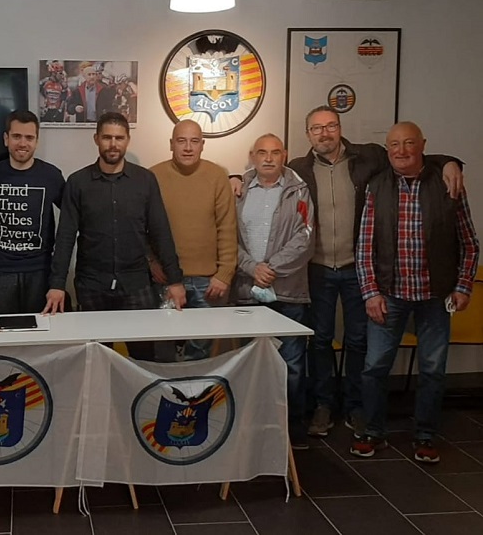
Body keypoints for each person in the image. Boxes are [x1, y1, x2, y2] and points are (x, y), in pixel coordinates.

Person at [287, 105, 463, 439]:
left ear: (340, 128)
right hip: (317, 267)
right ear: (307, 134)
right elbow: (266, 176)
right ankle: (323, 405)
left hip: (358, 267)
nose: (324, 133)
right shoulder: (298, 168)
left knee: (358, 340)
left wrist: (451, 161)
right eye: (316, 128)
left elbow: (413, 156)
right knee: (320, 340)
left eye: (330, 126)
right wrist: (236, 178)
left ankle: (356, 406)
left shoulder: (370, 157)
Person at [351, 122, 479, 463]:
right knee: (374, 367)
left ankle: (425, 435)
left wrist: (463, 286)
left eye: (409, 143)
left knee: (433, 369)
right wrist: (370, 293)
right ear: (387, 148)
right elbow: (364, 248)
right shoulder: (376, 187)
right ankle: (373, 432)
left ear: (423, 145)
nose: (401, 150)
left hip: (436, 297)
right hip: (388, 295)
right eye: (394, 144)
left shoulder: (448, 184)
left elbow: (469, 243)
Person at [43, 112, 186, 361]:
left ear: (128, 140)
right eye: (107, 137)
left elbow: (161, 231)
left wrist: (175, 280)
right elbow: (65, 236)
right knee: (95, 358)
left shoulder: (145, 180)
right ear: (96, 139)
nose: (113, 144)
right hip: (91, 285)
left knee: (143, 358)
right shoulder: (78, 182)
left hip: (136, 283)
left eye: (119, 138)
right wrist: (57, 284)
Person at [232, 134, 314, 449]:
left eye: (275, 152)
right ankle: (251, 428)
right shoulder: (237, 190)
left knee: (291, 367)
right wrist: (253, 268)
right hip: (246, 292)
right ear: (252, 155)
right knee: (248, 363)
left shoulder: (299, 190)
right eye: (262, 152)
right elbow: (227, 238)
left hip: (288, 292)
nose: (268, 158)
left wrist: (271, 268)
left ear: (285, 155)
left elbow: (305, 237)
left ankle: (291, 430)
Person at [148, 119, 237, 361]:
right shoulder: (152, 176)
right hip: (164, 278)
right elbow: (142, 227)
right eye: (181, 141)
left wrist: (224, 274)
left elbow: (227, 228)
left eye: (194, 141)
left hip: (208, 282)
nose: (188, 147)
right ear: (171, 144)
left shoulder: (217, 176)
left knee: (201, 352)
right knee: (163, 350)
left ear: (202, 145)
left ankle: (197, 398)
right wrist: (151, 262)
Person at [0, 110, 65, 315]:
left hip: (41, 270)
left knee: (43, 336)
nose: (23, 143)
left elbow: (72, 219)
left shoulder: (51, 176)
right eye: (17, 136)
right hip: (2, 269)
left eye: (29, 137)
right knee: (1, 335)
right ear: (6, 139)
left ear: (36, 141)